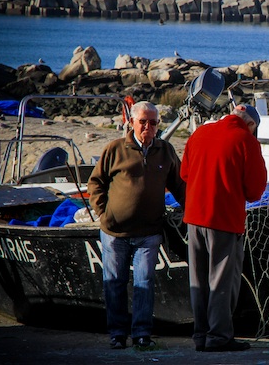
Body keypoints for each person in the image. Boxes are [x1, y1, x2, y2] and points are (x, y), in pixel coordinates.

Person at [88, 101, 185, 350]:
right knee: (115, 283)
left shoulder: (166, 151)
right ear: (132, 122)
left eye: (153, 123)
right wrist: (103, 213)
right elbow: (96, 183)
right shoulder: (115, 149)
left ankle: (142, 333)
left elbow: (180, 186)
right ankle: (117, 334)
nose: (148, 127)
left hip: (149, 233)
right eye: (143, 121)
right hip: (115, 232)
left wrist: (192, 211)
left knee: (144, 283)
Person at [180, 104, 267, 352]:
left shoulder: (199, 134)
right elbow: (255, 191)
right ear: (251, 125)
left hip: (194, 218)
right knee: (221, 281)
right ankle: (218, 337)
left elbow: (185, 174)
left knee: (198, 280)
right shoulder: (246, 141)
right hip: (224, 220)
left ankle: (200, 335)